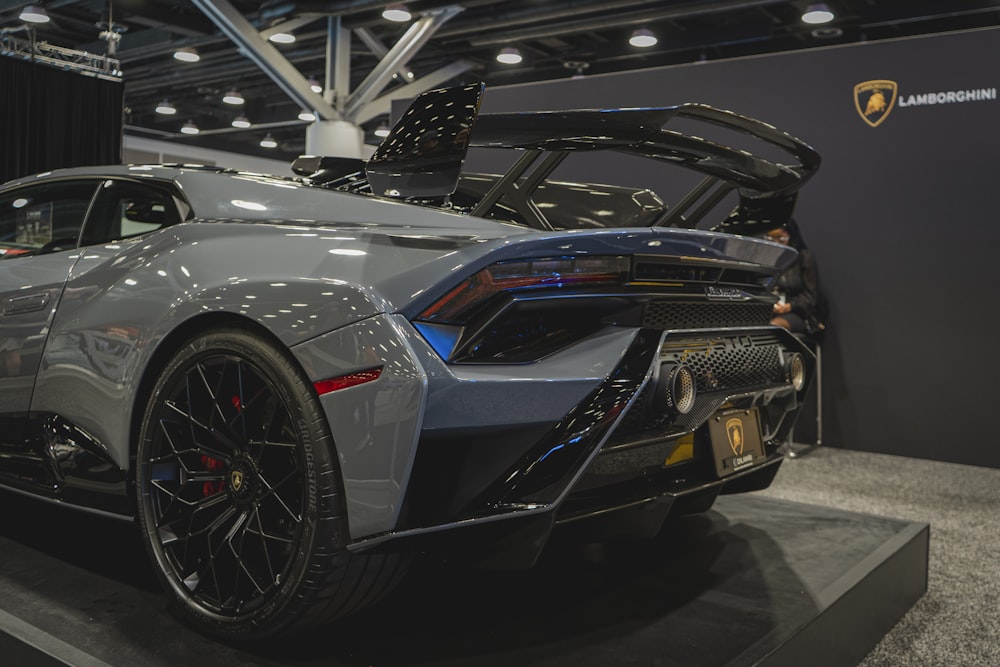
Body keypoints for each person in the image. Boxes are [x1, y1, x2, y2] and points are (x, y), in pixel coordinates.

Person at [764, 218, 822, 334]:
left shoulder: (804, 257)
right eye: (770, 238)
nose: (776, 243)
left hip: (798, 313)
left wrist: (787, 307)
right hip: (770, 310)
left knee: (772, 327)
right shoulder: (766, 258)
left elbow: (810, 298)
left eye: (780, 238)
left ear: (791, 235)